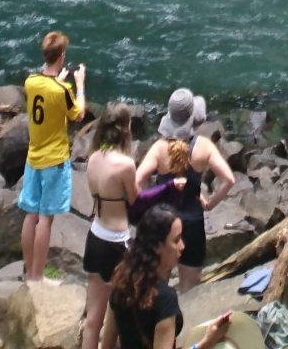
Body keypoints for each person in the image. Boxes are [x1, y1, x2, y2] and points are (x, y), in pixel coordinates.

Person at [101, 204, 234, 349]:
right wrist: (207, 342)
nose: (182, 246)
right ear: (157, 247)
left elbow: (106, 344)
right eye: (176, 240)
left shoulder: (122, 280)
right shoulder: (164, 299)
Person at [134, 124, 236, 293]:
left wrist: (148, 207)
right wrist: (210, 204)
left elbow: (137, 181)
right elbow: (229, 180)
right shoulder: (203, 145)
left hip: (163, 223)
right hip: (193, 224)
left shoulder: (159, 147)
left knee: (157, 286)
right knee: (189, 290)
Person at [22, 29, 86, 281]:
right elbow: (79, 114)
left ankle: (29, 272)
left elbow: (43, 84)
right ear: (62, 55)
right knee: (45, 220)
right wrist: (79, 85)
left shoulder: (30, 82)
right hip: (54, 160)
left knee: (30, 215)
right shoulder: (62, 91)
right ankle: (38, 277)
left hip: (33, 157)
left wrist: (56, 76)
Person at [82, 102, 139, 349]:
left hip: (95, 237)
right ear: (126, 129)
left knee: (93, 318)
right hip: (118, 242)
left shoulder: (93, 158)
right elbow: (134, 199)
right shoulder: (126, 165)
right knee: (119, 309)